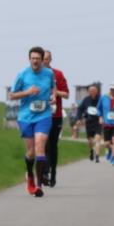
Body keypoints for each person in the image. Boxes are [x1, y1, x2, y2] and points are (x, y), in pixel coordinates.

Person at [8, 46, 53, 197]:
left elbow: (53, 89)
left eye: (38, 59)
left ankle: (39, 185)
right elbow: (12, 95)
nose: (35, 61)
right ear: (29, 59)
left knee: (40, 145)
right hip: (26, 117)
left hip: (44, 115)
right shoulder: (23, 74)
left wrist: (53, 97)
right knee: (31, 152)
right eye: (32, 58)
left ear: (42, 60)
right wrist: (28, 92)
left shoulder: (48, 74)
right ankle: (29, 175)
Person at [42, 50, 69, 187]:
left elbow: (66, 94)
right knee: (43, 144)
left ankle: (53, 173)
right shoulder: (35, 75)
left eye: (47, 59)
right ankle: (44, 172)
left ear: (50, 60)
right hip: (40, 115)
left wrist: (55, 92)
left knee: (52, 146)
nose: (44, 61)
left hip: (55, 115)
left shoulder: (58, 74)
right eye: (42, 59)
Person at [76, 84, 103, 163]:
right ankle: (91, 150)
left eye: (94, 91)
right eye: (90, 91)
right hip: (89, 122)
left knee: (97, 139)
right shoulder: (86, 100)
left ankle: (97, 156)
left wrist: (102, 117)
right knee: (90, 141)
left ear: (96, 91)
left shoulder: (100, 99)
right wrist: (78, 119)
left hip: (98, 121)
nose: (92, 92)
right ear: (88, 92)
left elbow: (104, 109)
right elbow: (80, 109)